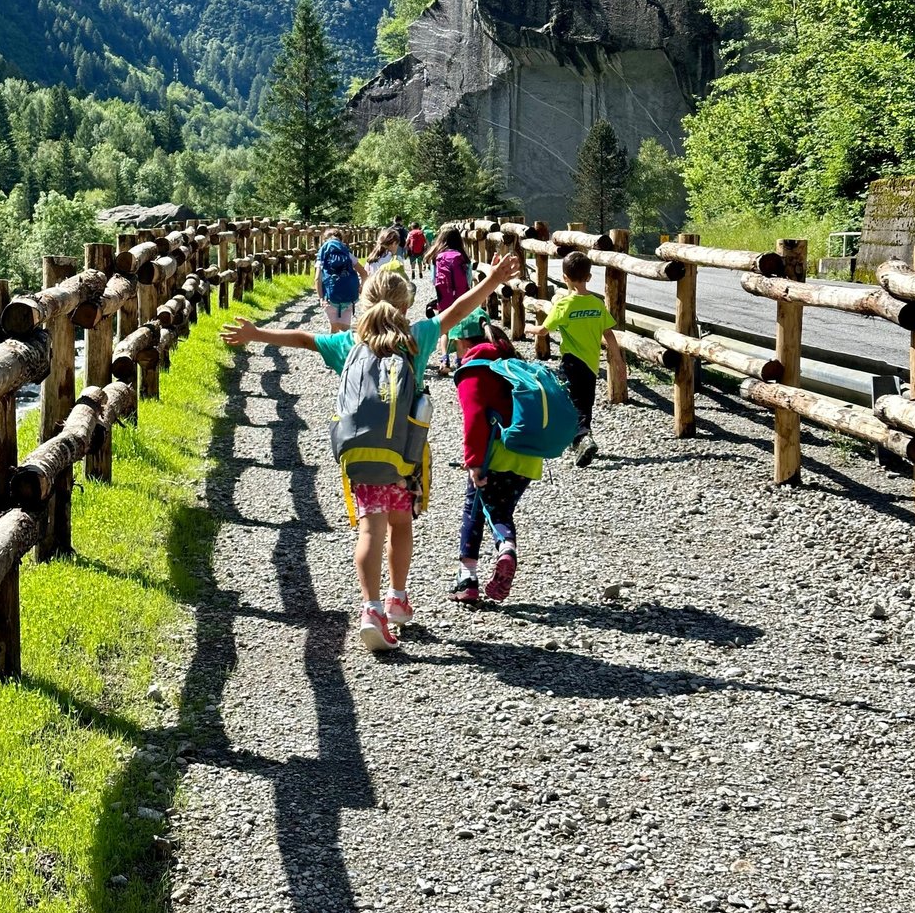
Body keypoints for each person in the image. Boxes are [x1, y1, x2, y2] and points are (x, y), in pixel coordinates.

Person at [220, 253, 520, 651]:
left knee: (370, 528)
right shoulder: (416, 338)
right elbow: (457, 309)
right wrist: (493, 279)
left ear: (365, 302)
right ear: (404, 305)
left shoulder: (349, 343)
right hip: (405, 455)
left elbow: (305, 339)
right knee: (401, 524)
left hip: (361, 455)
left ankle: (371, 608)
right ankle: (397, 597)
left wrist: (257, 334)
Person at [447, 310, 542, 605]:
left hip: (494, 456)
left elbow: (475, 419)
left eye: (456, 347)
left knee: (475, 510)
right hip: (529, 456)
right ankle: (476, 575)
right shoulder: (511, 360)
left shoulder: (474, 371)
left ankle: (485, 563)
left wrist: (474, 462)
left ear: (464, 342)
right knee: (495, 510)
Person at [535, 251, 627, 466]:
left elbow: (543, 330)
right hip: (591, 364)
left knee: (567, 400)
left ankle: (582, 438)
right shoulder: (596, 304)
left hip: (570, 361)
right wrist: (619, 361)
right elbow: (609, 334)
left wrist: (530, 328)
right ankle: (582, 437)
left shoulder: (564, 304)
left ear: (565, 278)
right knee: (585, 402)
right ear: (589, 277)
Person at [429, 225, 475, 375]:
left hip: (444, 298)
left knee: (445, 330)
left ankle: (444, 359)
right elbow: (468, 280)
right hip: (462, 298)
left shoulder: (437, 257)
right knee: (460, 329)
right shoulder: (463, 257)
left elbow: (433, 279)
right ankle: (460, 361)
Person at [315, 228, 367, 334]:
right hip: (349, 296)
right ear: (341, 238)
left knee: (333, 329)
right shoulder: (347, 252)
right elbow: (364, 273)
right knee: (346, 331)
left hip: (330, 298)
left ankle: (331, 349)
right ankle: (347, 350)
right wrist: (361, 287)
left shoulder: (322, 253)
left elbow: (317, 278)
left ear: (325, 239)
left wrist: (320, 298)